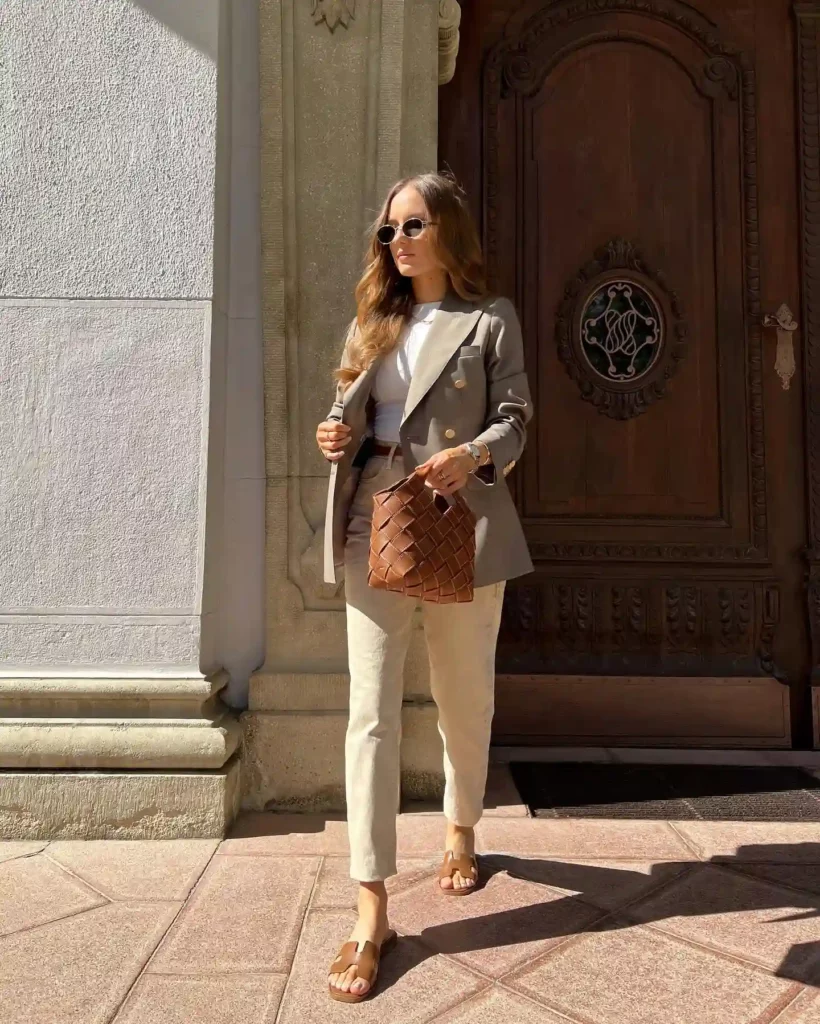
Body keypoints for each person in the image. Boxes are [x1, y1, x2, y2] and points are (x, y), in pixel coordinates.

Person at [316, 172, 533, 1003]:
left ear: (446, 229)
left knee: (460, 695)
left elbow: (517, 418)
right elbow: (353, 414)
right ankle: (370, 905)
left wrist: (472, 454)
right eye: (387, 231)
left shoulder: (489, 319)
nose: (396, 241)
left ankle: (461, 828)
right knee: (368, 711)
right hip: (376, 519)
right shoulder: (374, 322)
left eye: (411, 226)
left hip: (457, 522)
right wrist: (335, 434)